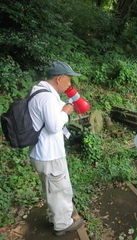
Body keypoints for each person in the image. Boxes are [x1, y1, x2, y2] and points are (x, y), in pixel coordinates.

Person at [28, 61, 84, 236]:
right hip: (49, 154)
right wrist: (66, 112)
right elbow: (53, 126)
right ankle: (63, 224)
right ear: (59, 78)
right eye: (69, 81)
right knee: (60, 190)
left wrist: (67, 104)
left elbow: (53, 111)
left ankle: (56, 217)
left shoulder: (40, 91)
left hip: (42, 152)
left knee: (52, 190)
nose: (70, 85)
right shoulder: (46, 98)